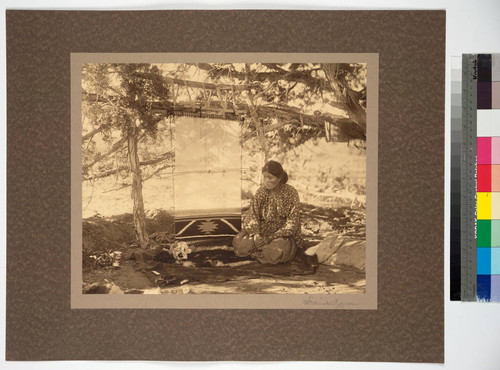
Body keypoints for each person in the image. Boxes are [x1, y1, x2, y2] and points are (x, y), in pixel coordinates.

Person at [232, 160, 303, 264]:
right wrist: (256, 234)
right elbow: (253, 214)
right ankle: (261, 252)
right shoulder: (261, 191)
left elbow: (292, 222)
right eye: (264, 177)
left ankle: (261, 252)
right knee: (239, 244)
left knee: (279, 250)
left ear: (279, 178)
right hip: (262, 232)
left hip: (281, 236)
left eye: (270, 177)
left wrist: (272, 237)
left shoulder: (291, 193)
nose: (266, 181)